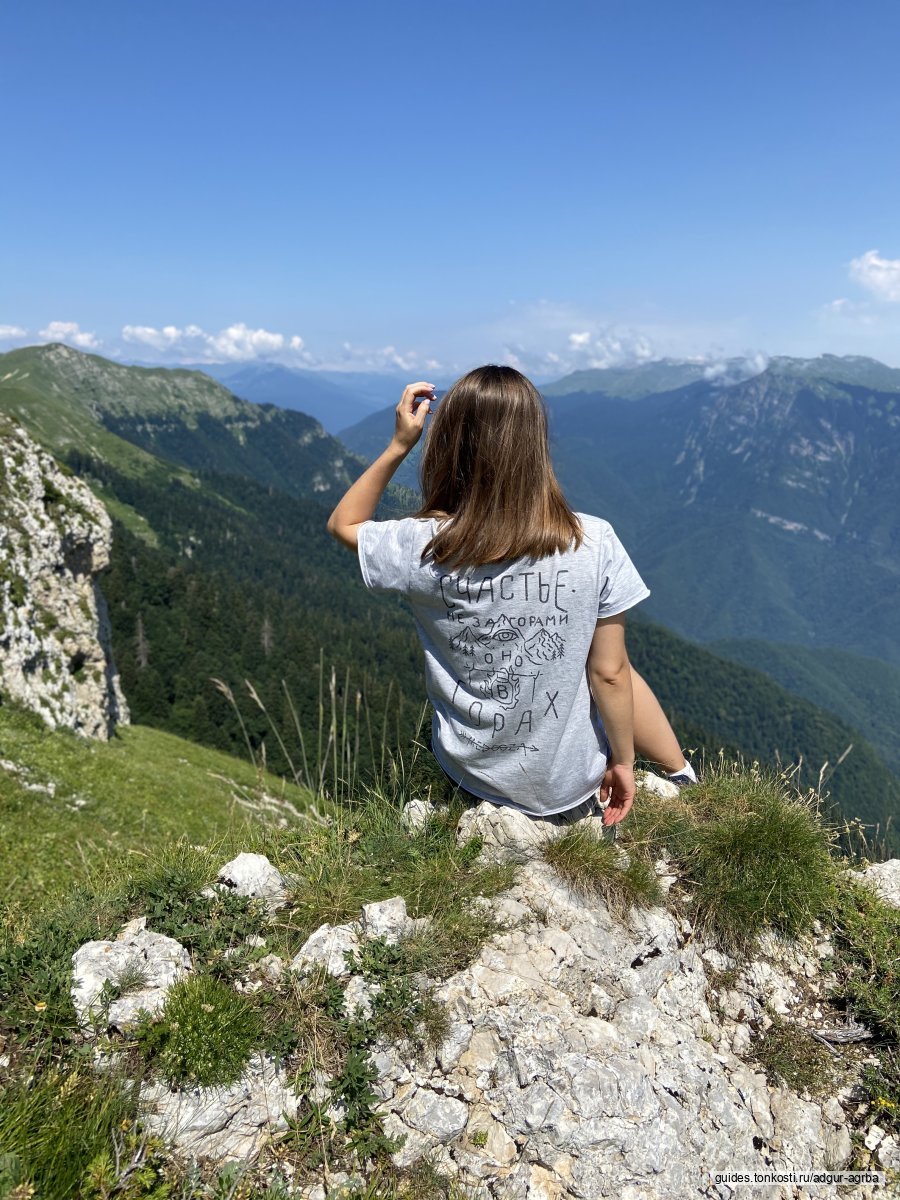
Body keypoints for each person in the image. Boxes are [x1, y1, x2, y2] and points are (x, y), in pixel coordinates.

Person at [326, 365, 696, 829]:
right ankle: (682, 774)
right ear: (535, 446)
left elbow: (344, 524)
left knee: (593, 657)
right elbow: (610, 675)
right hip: (569, 783)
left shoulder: (425, 547)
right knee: (603, 659)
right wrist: (622, 763)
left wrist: (400, 443)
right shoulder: (594, 541)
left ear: (449, 447)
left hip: (472, 774)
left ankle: (681, 774)